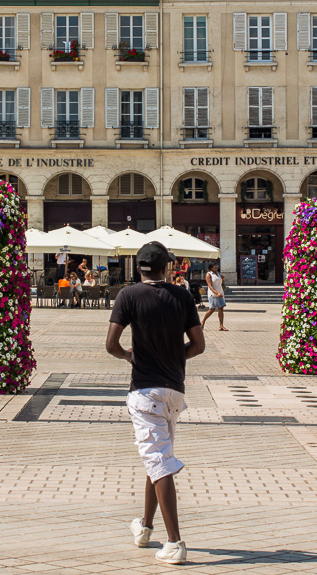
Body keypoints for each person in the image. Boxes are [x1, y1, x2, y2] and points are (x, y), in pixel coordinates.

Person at [105, 242, 205, 565]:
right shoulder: (183, 296)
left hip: (145, 391)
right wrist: (178, 357)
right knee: (157, 458)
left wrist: (129, 356)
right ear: (167, 268)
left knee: (159, 461)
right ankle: (146, 528)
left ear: (139, 269)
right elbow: (199, 345)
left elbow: (111, 344)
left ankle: (175, 542)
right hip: (174, 391)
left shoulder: (128, 296)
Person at [201, 262, 227, 331]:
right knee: (212, 309)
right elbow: (210, 286)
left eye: (217, 265)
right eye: (215, 265)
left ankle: (221, 325)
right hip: (213, 294)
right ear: (211, 267)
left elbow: (220, 282)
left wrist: (222, 280)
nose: (216, 266)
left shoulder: (218, 273)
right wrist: (216, 293)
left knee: (221, 309)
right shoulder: (209, 274)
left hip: (220, 293)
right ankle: (203, 321)